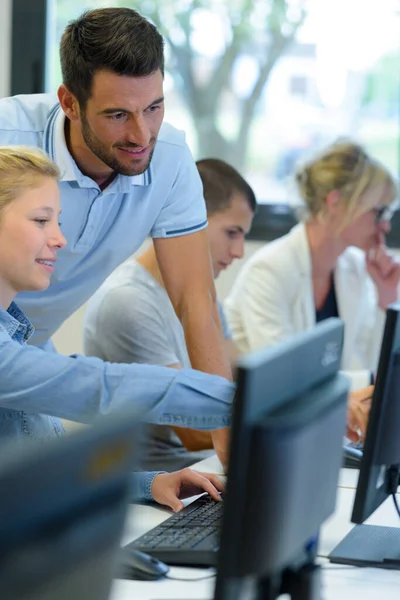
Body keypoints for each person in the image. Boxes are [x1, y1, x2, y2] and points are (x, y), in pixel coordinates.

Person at [0, 7, 230, 464]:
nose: (141, 133)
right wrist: (237, 404)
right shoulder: (9, 140)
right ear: (69, 102)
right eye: (118, 114)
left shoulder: (168, 158)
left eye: (154, 107)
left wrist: (230, 444)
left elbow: (195, 300)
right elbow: (99, 388)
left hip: (27, 352)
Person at [0, 146, 231, 509]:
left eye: (58, 221)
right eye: (42, 220)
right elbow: (101, 387)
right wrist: (244, 403)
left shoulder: (25, 333)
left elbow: (42, 474)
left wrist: (149, 484)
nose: (60, 238)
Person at [83, 159, 256, 471]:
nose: (240, 251)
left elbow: (244, 375)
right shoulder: (128, 301)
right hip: (151, 487)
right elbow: (194, 429)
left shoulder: (204, 297)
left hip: (197, 468)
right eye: (232, 233)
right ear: (191, 220)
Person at [225, 140, 399, 419]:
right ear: (336, 202)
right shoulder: (270, 270)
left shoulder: (353, 268)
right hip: (266, 429)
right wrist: (368, 380)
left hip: (319, 422)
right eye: (379, 212)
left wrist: (386, 299)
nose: (386, 226)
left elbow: (369, 362)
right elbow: (284, 380)